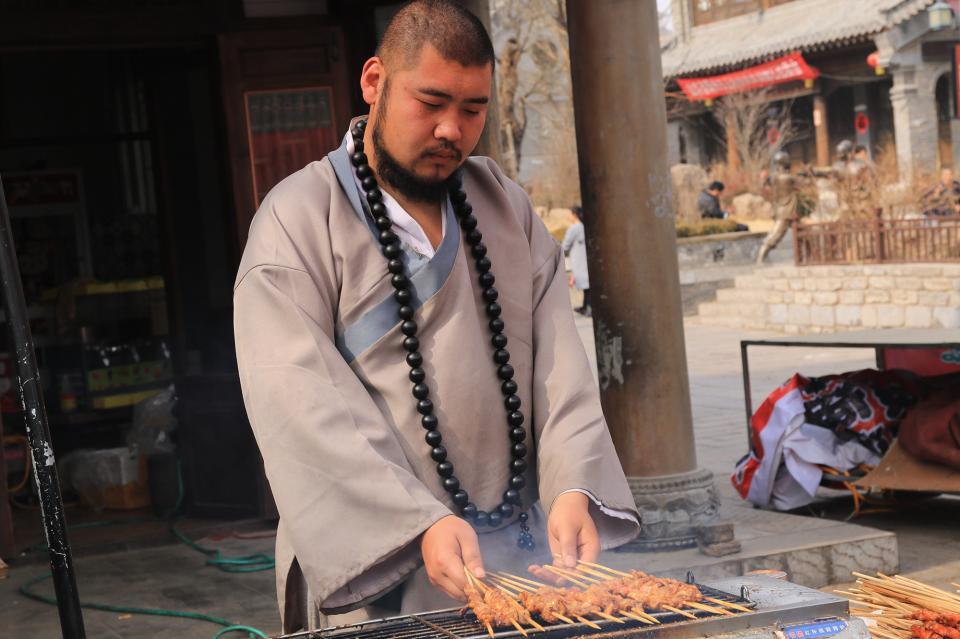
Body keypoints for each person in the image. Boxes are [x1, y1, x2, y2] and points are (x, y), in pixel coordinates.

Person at [233, 1, 640, 632]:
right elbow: (298, 400)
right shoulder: (297, 220)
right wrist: (414, 523)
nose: (452, 129)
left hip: (516, 557)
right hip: (383, 566)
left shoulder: (505, 207)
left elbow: (560, 367)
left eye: (473, 109)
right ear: (374, 82)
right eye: (431, 102)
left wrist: (572, 486)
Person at [757, 151, 798, 263]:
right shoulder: (787, 178)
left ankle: (810, 254)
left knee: (803, 232)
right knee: (776, 235)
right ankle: (760, 258)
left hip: (785, 209)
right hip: (786, 211)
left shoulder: (774, 177)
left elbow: (765, 183)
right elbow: (803, 183)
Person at [562, 206, 590, 316]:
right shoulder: (583, 226)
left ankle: (588, 308)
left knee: (585, 283)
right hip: (583, 258)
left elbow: (565, 245)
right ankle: (585, 306)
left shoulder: (574, 228)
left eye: (570, 214)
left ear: (574, 214)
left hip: (578, 259)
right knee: (586, 284)